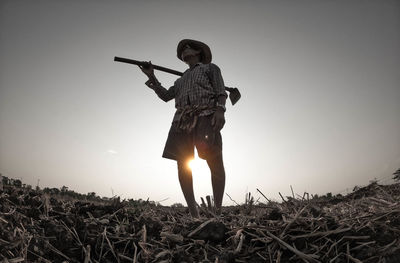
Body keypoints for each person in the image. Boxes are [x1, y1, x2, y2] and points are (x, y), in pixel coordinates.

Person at [140, 39, 227, 218]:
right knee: (183, 164)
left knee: (214, 159)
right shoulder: (180, 81)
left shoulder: (210, 69)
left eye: (189, 48)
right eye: (183, 50)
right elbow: (165, 96)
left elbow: (220, 91)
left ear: (198, 52)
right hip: (181, 120)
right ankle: (194, 213)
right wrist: (151, 76)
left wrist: (220, 110)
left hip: (206, 115)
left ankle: (217, 211)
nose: (185, 51)